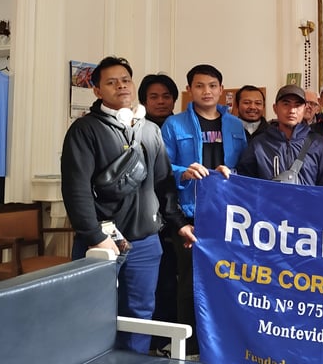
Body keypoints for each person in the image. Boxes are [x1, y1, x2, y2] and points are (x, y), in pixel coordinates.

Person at [60, 56, 194, 354]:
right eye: (111, 82)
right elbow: (75, 189)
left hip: (146, 242)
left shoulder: (150, 130)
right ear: (97, 91)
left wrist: (179, 224)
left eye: (125, 80)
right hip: (101, 241)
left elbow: (163, 184)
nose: (121, 86)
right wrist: (94, 236)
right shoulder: (84, 130)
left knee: (140, 313)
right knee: (92, 312)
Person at [161, 64, 248, 356]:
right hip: (190, 214)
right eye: (199, 86)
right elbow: (162, 167)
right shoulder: (174, 125)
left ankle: (221, 344)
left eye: (212, 85)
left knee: (225, 281)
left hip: (227, 216)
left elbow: (245, 168)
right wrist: (183, 172)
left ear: (221, 89)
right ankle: (189, 347)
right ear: (189, 90)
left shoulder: (235, 125)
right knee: (189, 282)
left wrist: (232, 173)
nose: (206, 91)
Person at [137, 72, 181, 353]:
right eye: (154, 97)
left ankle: (171, 339)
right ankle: (152, 342)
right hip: (147, 219)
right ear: (144, 100)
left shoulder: (181, 127)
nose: (161, 101)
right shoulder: (137, 129)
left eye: (166, 96)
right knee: (153, 284)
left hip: (179, 215)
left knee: (176, 283)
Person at [238, 84, 323, 185]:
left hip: (307, 196)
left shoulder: (318, 144)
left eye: (297, 105)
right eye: (286, 104)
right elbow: (244, 182)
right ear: (275, 108)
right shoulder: (259, 144)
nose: (292, 110)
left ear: (304, 109)